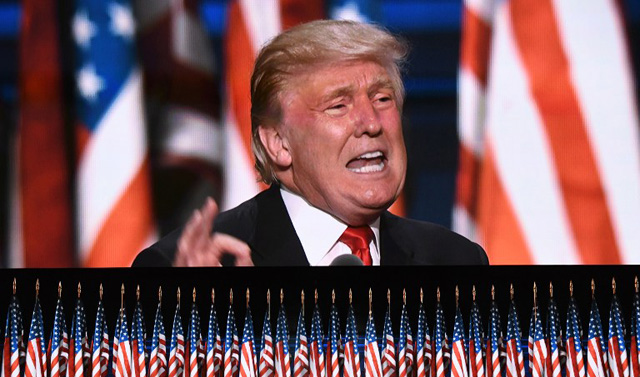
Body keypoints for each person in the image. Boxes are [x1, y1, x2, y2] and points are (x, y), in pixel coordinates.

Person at [133, 20, 488, 267]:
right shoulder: (186, 269)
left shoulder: (456, 259)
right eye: (338, 106)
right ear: (278, 144)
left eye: (382, 98)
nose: (371, 123)